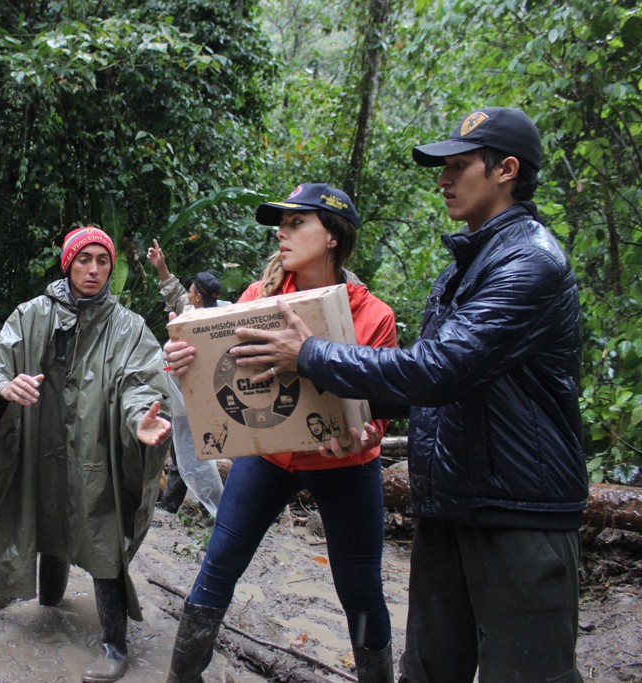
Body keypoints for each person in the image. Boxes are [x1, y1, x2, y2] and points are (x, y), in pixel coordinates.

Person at [220, 108, 589, 683]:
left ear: (506, 170)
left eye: (458, 165)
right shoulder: (464, 268)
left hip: (519, 514)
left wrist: (312, 355)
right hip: (450, 503)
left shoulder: (529, 263)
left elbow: (436, 370)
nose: (443, 179)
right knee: (427, 669)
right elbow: (431, 390)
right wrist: (359, 412)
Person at [161, 183, 398, 683]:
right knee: (220, 562)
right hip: (268, 455)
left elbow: (379, 408)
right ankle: (182, 677)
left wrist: (369, 433)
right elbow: (213, 371)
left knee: (359, 588)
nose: (281, 233)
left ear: (333, 236)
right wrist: (183, 361)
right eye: (281, 224)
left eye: (296, 224)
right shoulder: (258, 299)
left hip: (344, 464)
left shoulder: (373, 316)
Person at [0, 226, 172, 683]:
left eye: (103, 260)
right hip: (41, 440)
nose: (95, 269)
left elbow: (141, 381)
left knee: (100, 530)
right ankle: (51, 603)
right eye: (85, 260)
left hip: (96, 446)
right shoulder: (32, 314)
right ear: (68, 264)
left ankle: (114, 643)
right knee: (44, 506)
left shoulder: (128, 327)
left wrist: (140, 417)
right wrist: (4, 386)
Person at [146, 238, 226, 514]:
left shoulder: (203, 324)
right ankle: (174, 504)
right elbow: (175, 293)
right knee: (185, 450)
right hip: (184, 396)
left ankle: (199, 506)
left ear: (199, 297)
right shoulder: (208, 310)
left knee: (192, 452)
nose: (188, 294)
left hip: (200, 398)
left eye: (191, 291)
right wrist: (161, 265)